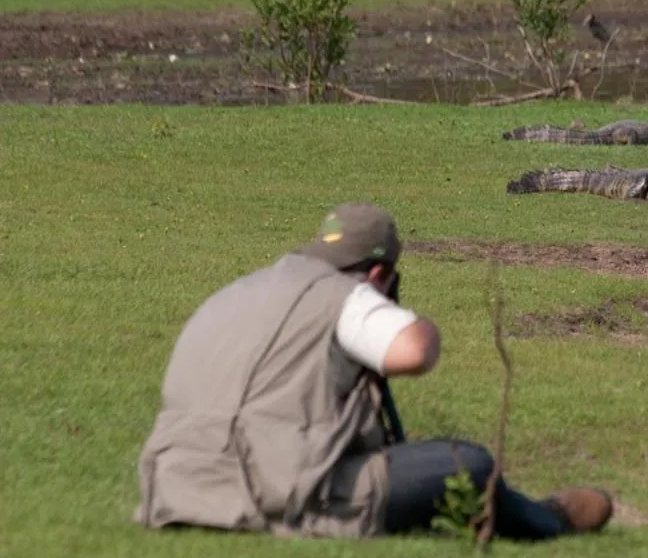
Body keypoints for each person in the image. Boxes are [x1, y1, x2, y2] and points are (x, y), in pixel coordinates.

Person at [133, 202, 613, 541]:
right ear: (381, 273)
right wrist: (403, 315)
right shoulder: (349, 295)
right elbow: (414, 351)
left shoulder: (235, 293)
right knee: (469, 463)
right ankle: (552, 519)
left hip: (175, 485)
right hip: (273, 493)